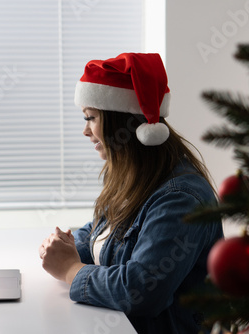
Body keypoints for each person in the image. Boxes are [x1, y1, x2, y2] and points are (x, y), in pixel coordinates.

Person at [39, 53, 223, 334]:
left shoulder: (180, 197)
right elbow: (98, 233)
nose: (85, 131)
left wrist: (69, 269)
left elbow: (142, 291)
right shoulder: (131, 176)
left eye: (91, 118)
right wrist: (66, 246)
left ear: (121, 121)